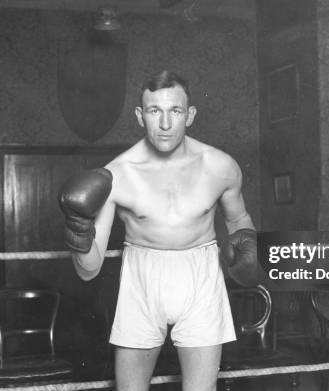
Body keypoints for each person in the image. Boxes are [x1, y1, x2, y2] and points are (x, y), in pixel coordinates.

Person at [58, 70, 263, 391]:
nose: (165, 123)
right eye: (155, 111)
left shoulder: (220, 166)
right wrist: (79, 233)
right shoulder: (117, 175)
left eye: (175, 111)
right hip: (142, 277)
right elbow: (89, 270)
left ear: (190, 115)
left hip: (201, 274)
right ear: (140, 116)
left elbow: (239, 220)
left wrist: (246, 245)